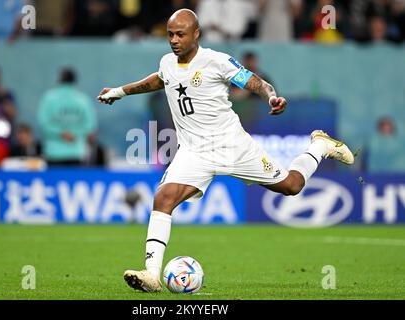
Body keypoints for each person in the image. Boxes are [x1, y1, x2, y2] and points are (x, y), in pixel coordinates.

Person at [98, 9, 355, 293]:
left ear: (197, 34)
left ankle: (319, 145)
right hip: (194, 151)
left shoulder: (216, 61)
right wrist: (120, 91)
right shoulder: (168, 63)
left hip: (232, 146)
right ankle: (151, 274)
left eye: (180, 34)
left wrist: (271, 97)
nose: (174, 40)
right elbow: (159, 80)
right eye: (170, 34)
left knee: (291, 186)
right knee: (164, 197)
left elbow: (256, 82)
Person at [38, 68, 97, 167]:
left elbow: (44, 123)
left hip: (53, 152)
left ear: (59, 80)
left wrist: (60, 133)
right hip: (76, 152)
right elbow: (90, 126)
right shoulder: (83, 100)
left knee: (54, 182)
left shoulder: (49, 98)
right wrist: (74, 134)